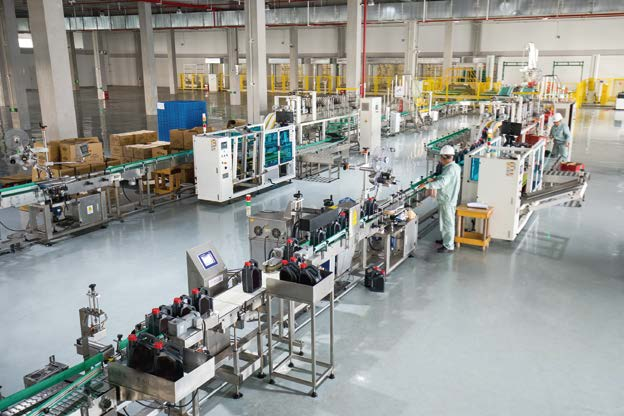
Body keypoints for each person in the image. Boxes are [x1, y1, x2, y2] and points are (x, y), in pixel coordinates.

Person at [419, 145, 461, 253]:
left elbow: (442, 183)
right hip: (448, 199)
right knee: (445, 221)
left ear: (444, 157)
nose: (440, 159)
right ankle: (446, 240)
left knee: (448, 223)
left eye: (440, 157)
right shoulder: (455, 167)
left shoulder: (450, 169)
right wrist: (436, 178)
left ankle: (448, 246)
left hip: (447, 200)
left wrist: (426, 186)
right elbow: (445, 178)